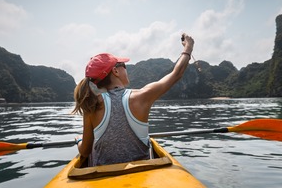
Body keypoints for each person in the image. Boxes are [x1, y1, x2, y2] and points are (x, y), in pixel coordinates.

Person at [71, 33, 195, 166]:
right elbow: (176, 74)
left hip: (105, 181)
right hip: (140, 176)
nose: (126, 68)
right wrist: (188, 47)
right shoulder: (141, 96)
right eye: (123, 65)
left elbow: (85, 151)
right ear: (115, 71)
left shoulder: (92, 105)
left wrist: (79, 140)